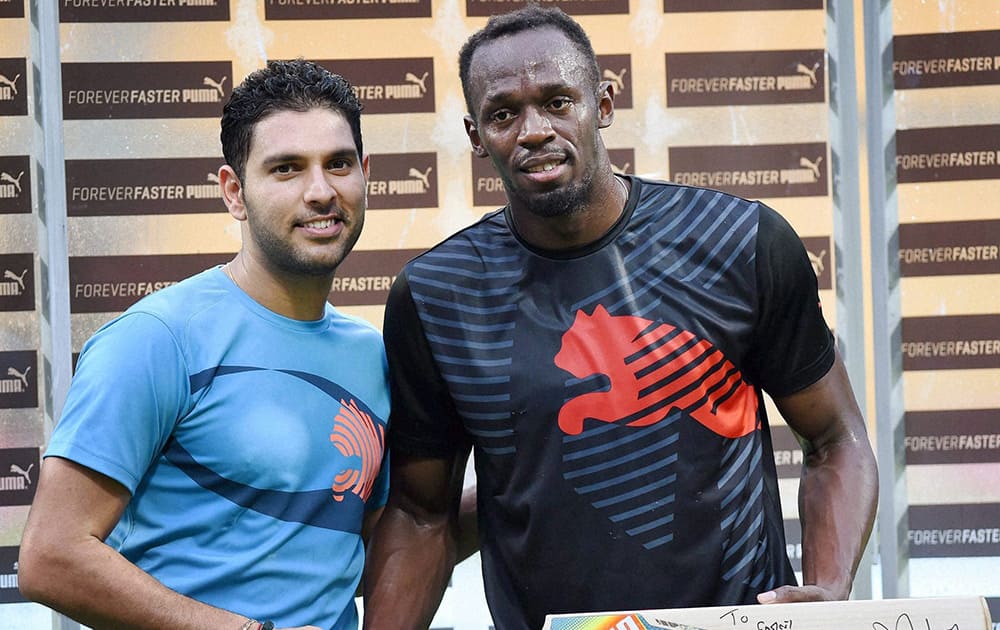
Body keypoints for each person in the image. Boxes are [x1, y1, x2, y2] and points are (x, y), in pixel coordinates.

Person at [362, 7, 878, 630]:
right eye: (504, 114)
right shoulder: (436, 296)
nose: (533, 131)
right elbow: (423, 515)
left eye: (558, 101)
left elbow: (834, 440)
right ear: (476, 137)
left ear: (602, 104)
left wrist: (828, 593)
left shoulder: (741, 242)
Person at [18, 59, 387, 630]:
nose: (320, 191)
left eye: (337, 164)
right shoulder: (157, 338)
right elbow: (50, 556)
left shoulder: (371, 356)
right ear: (234, 191)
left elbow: (362, 551)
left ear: (365, 174)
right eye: (286, 169)